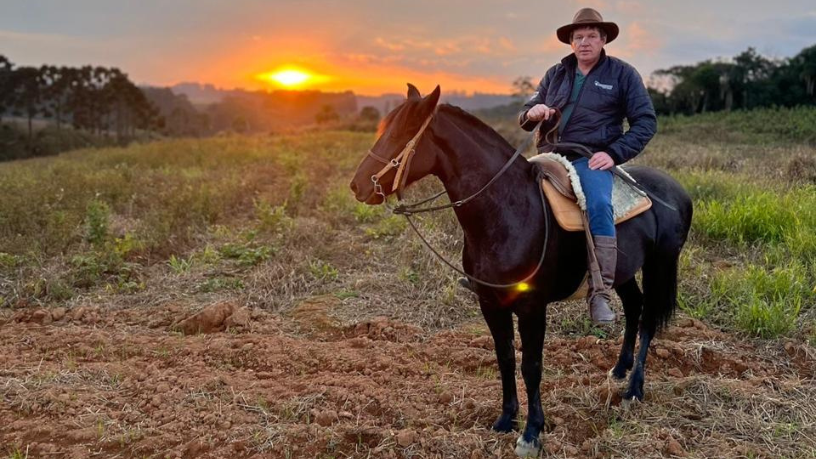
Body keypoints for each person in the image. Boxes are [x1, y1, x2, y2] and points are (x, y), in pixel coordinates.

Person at [518, 8, 657, 324]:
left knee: (598, 204)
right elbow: (527, 112)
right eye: (578, 37)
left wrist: (614, 153)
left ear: (603, 39)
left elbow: (645, 122)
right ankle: (495, 273)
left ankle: (600, 293)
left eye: (591, 36)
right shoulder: (556, 73)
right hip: (549, 155)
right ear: (571, 42)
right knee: (508, 192)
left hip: (589, 158)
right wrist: (532, 112)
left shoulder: (622, 74)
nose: (584, 42)